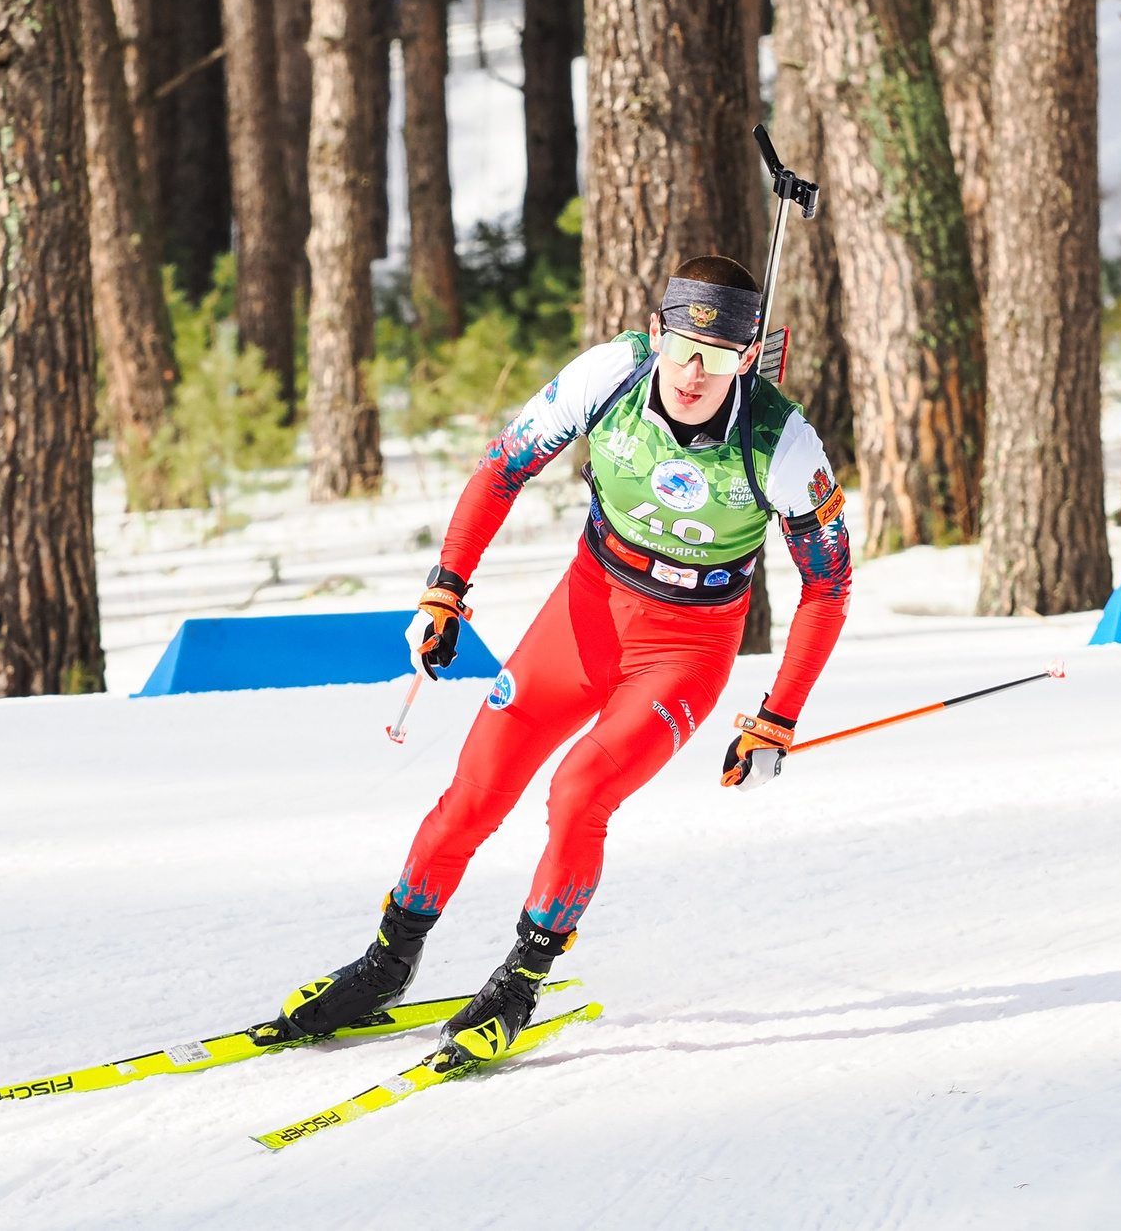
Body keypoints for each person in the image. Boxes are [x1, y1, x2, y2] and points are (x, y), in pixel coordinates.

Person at [276, 255, 855, 1065]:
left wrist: (777, 718)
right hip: (585, 611)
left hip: (685, 647)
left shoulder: (780, 441)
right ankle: (387, 962)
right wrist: (446, 589)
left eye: (720, 358)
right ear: (657, 332)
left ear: (748, 356)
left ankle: (521, 977)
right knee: (475, 790)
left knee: (579, 789)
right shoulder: (610, 376)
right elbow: (501, 467)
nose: (695, 373)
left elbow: (828, 584)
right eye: (683, 347)